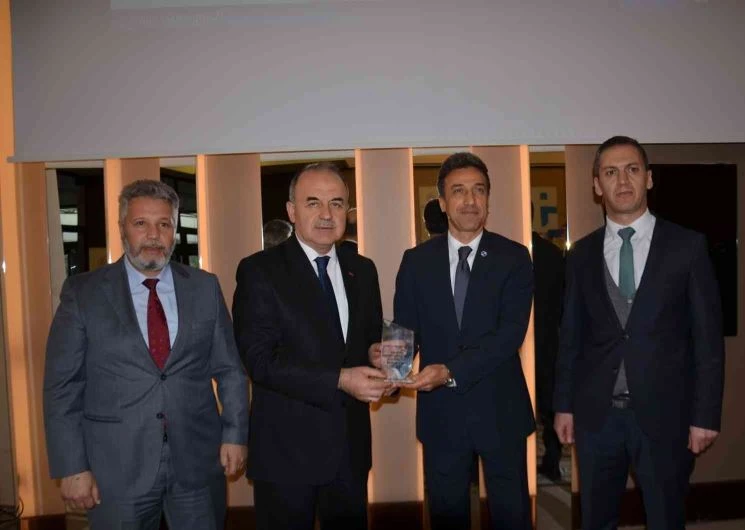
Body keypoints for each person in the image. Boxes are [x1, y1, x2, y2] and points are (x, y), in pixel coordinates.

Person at [43, 179, 249, 530]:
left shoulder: (204, 287)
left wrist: (235, 434)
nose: (153, 235)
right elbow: (62, 386)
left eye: (164, 224)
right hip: (116, 469)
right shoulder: (83, 293)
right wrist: (72, 466)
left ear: (175, 231)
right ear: (122, 227)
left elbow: (230, 369)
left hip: (197, 463)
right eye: (141, 223)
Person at [553, 136, 725, 530]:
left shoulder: (687, 247)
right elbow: (570, 337)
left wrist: (705, 415)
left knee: (666, 519)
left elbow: (708, 342)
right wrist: (564, 405)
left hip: (667, 417)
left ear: (648, 178)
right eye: (610, 172)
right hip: (597, 419)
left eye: (632, 169)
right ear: (597, 185)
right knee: (596, 520)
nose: (622, 180)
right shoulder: (581, 255)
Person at [232, 162, 389, 530]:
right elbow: (259, 360)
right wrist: (340, 379)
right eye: (313, 202)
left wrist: (378, 357)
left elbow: (368, 340)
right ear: (291, 211)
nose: (326, 214)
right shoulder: (260, 270)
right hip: (286, 454)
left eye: (337, 203)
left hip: (349, 453)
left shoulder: (362, 269)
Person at [394, 152, 535, 530]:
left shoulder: (514, 257)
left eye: (479, 190)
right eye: (458, 191)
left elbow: (510, 335)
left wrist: (450, 371)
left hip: (501, 410)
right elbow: (406, 332)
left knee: (512, 516)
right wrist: (389, 361)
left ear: (488, 198)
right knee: (446, 515)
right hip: (442, 415)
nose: (470, 200)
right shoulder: (416, 261)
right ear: (442, 202)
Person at [531, 230, 565, 482]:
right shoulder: (552, 253)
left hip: (521, 342)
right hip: (549, 339)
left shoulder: (511, 253)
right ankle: (552, 459)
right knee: (549, 405)